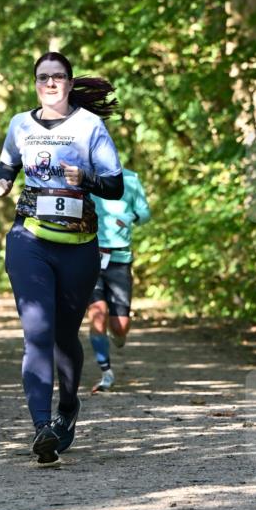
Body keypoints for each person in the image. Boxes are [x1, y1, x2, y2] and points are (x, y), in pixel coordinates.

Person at [0, 51, 123, 466]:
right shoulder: (20, 124)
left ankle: (68, 408)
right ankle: (41, 427)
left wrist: (84, 178)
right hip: (29, 239)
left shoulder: (89, 126)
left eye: (58, 77)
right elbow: (8, 162)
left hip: (79, 244)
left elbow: (115, 187)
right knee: (38, 333)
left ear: (69, 82)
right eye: (43, 78)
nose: (50, 84)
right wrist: (2, 181)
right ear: (35, 83)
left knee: (66, 334)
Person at [88, 167, 151, 391]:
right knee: (97, 313)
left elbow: (145, 213)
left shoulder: (131, 179)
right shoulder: (84, 176)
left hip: (120, 257)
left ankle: (119, 335)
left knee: (120, 326)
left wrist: (129, 217)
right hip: (89, 254)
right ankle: (106, 373)